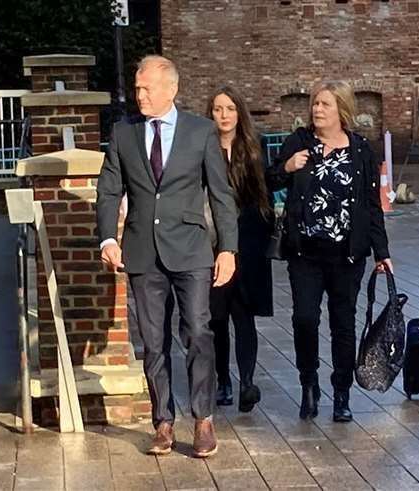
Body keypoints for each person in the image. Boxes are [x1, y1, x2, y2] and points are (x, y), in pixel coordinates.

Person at [96, 55, 238, 458]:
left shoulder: (201, 131)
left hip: (192, 250)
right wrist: (108, 238)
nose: (139, 95)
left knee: (197, 332)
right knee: (153, 341)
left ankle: (204, 418)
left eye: (147, 88)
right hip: (142, 251)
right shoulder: (124, 133)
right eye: (137, 88)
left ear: (171, 89)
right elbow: (109, 189)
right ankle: (162, 421)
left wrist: (228, 248)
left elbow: (221, 194)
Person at [266, 81, 392, 423]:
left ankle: (341, 392)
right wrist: (287, 167)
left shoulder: (361, 150)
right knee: (305, 319)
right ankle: (309, 383)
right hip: (305, 252)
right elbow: (269, 181)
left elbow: (371, 205)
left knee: (343, 324)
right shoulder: (299, 143)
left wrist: (382, 251)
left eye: (324, 105)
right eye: (314, 105)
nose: (317, 110)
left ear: (342, 110)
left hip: (347, 255)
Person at [206, 86, 273, 412]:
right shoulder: (202, 147)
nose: (224, 115)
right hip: (212, 243)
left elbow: (264, 191)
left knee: (244, 316)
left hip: (248, 243)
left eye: (230, 108)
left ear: (239, 112)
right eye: (218, 109)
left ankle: (247, 381)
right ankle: (223, 381)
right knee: (217, 318)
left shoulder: (253, 147)